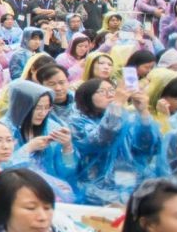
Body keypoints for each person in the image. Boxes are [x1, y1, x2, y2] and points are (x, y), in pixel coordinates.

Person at [69, 77, 161, 205]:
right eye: (102, 91)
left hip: (123, 181)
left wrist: (143, 112)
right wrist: (117, 104)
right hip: (92, 185)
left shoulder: (127, 118)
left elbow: (147, 147)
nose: (109, 95)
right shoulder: (77, 121)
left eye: (112, 90)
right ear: (86, 96)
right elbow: (101, 140)